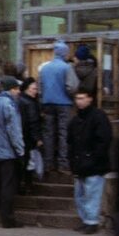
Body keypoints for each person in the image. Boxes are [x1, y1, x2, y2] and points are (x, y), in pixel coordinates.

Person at [66, 90, 112, 234]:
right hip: (81, 162)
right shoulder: (76, 119)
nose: (79, 101)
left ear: (90, 99)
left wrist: (92, 158)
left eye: (82, 98)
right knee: (80, 194)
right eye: (77, 98)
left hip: (93, 163)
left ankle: (91, 221)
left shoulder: (98, 117)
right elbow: (70, 141)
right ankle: (87, 220)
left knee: (92, 193)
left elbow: (103, 140)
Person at [0, 76, 25, 228]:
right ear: (11, 89)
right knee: (7, 186)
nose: (18, 92)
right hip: (7, 151)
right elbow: (13, 130)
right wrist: (20, 150)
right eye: (17, 89)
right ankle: (7, 219)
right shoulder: (9, 104)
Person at [38, 40, 79, 174]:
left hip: (47, 103)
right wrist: (71, 96)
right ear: (65, 53)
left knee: (48, 134)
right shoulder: (67, 68)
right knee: (63, 133)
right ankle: (62, 164)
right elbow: (72, 87)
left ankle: (48, 163)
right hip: (64, 104)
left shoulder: (44, 68)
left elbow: (40, 88)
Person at [18, 77, 44, 194]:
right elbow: (33, 122)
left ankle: (22, 184)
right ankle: (27, 185)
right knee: (29, 162)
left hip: (21, 136)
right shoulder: (30, 103)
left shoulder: (20, 100)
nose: (36, 91)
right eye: (33, 89)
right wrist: (37, 138)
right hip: (28, 138)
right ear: (26, 89)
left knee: (24, 161)